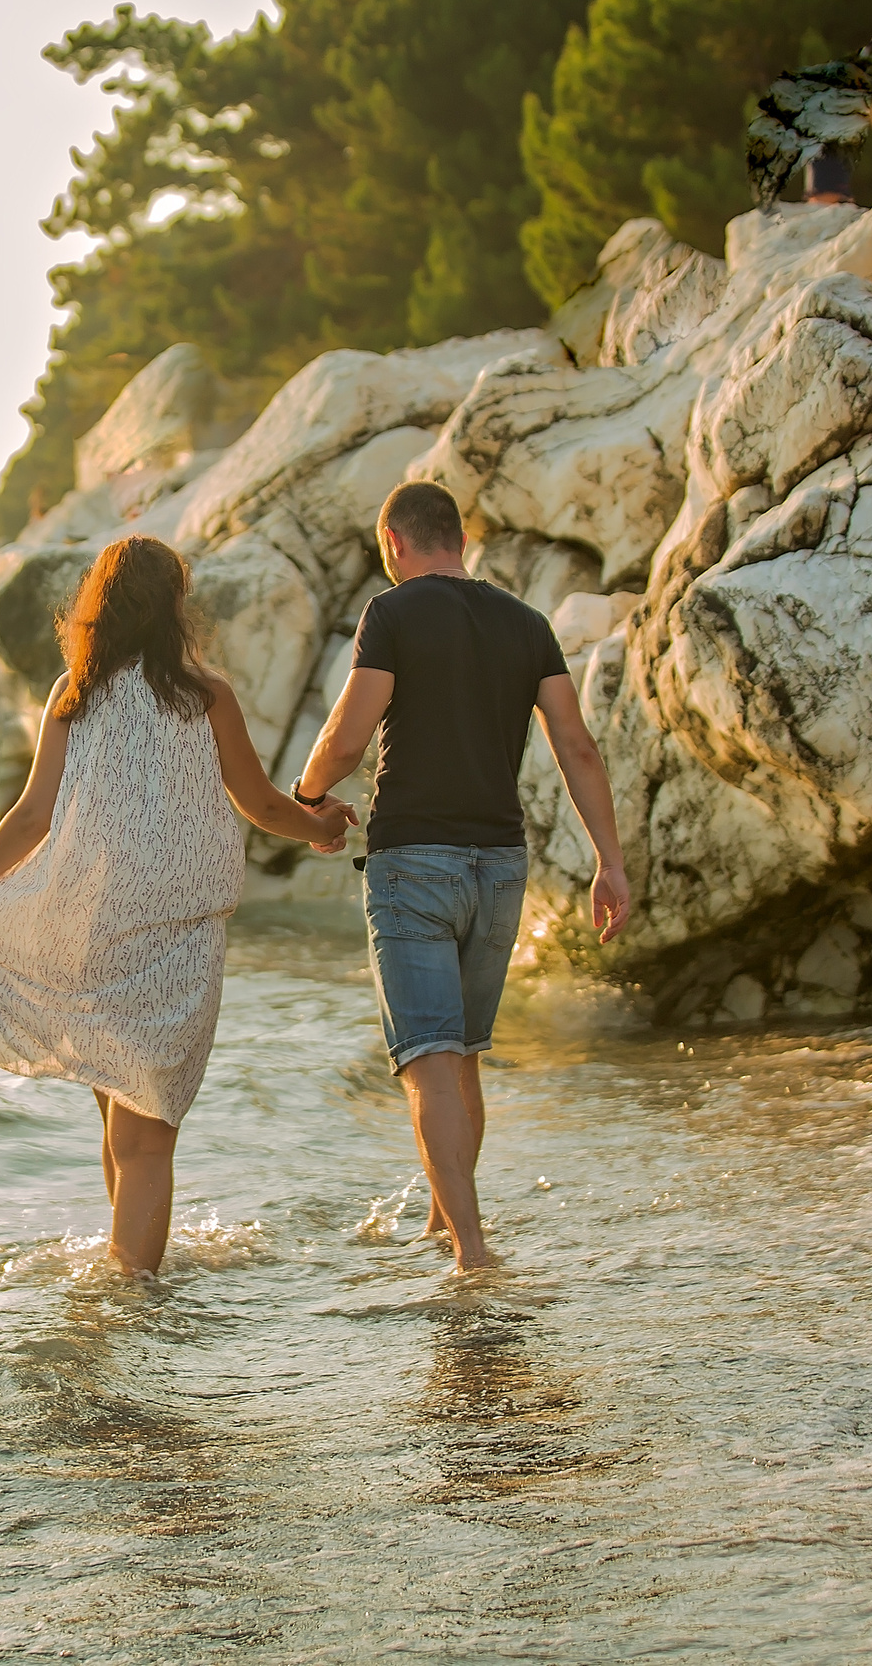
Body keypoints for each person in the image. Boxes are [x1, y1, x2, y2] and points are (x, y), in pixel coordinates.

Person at [0, 536, 351, 1276]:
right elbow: (262, 802)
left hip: (92, 928)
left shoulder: (73, 691)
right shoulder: (206, 693)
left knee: (119, 1116)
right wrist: (322, 827)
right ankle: (132, 1299)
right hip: (176, 937)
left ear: (98, 608)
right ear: (174, 604)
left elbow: (30, 815)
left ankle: (121, 1277)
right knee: (148, 1136)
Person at [291, 481, 633, 1272]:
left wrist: (307, 797)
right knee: (464, 1053)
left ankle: (472, 1251)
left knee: (429, 1059)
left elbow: (347, 734)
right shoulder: (527, 624)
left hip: (415, 862)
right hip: (500, 869)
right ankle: (448, 1223)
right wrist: (608, 863)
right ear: (461, 541)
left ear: (393, 542)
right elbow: (578, 747)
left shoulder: (392, 613)